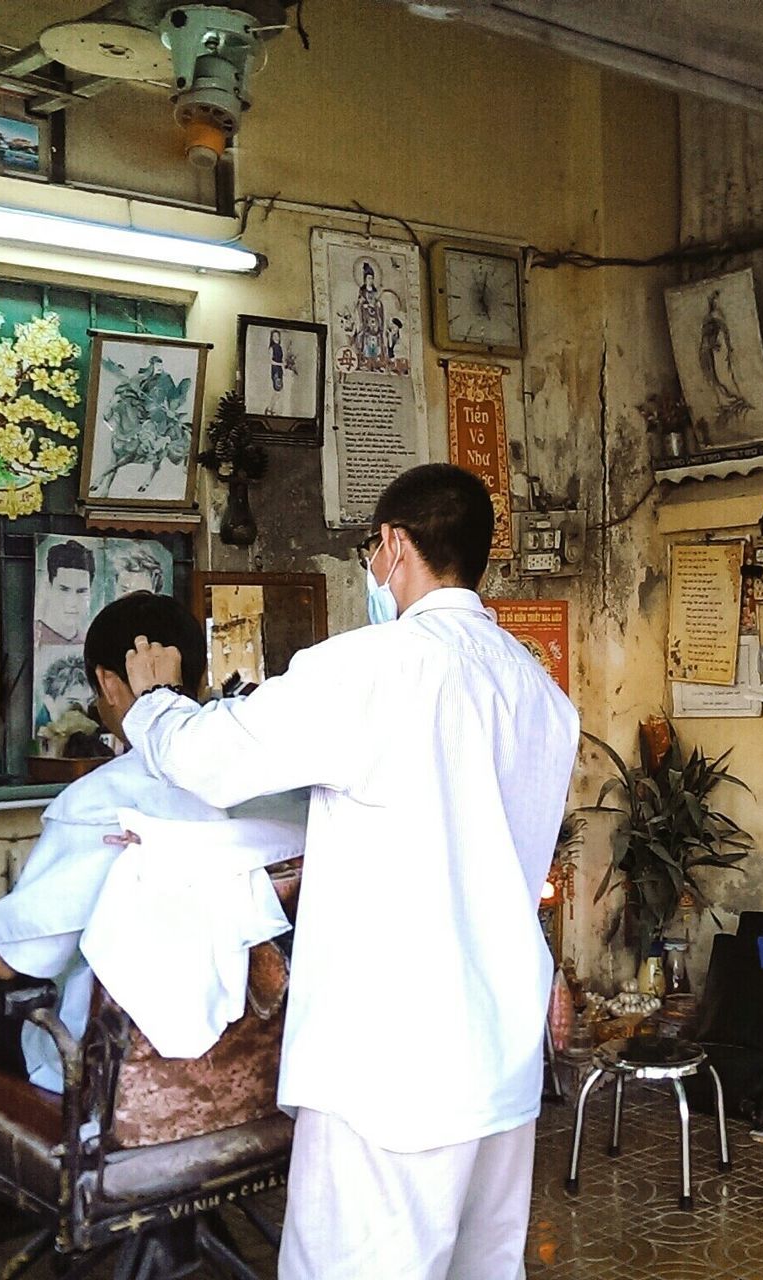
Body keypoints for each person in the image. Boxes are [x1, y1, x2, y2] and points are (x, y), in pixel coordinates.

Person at [121, 463, 580, 1280]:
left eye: (371, 549)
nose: (372, 568)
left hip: (391, 1061)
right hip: (498, 1054)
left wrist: (153, 704)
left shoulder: (378, 666)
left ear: (396, 546)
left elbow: (213, 759)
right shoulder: (537, 690)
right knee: (483, 1268)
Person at [0, 593, 300, 1091]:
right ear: (198, 675)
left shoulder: (99, 804)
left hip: (118, 1087)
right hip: (260, 1074)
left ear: (107, 682)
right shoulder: (267, 788)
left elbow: (16, 958)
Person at [35, 540, 95, 646]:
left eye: (81, 591)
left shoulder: (90, 643)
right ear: (48, 587)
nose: (72, 602)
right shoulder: (34, 636)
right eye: (64, 589)